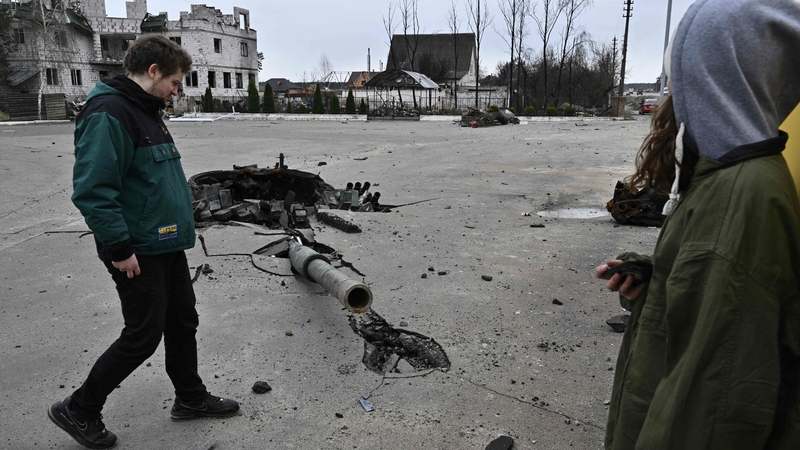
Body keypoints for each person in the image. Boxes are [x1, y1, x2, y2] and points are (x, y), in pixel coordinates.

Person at [596, 0, 800, 448]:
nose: (672, 100)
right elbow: (710, 310)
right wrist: (656, 280)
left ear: (721, 80)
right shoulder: (722, 178)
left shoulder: (739, 198)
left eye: (684, 82)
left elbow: (711, 409)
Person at [48, 34, 239, 449]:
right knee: (143, 335)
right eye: (174, 81)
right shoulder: (109, 113)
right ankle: (79, 408)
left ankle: (190, 399)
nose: (177, 90)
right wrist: (119, 248)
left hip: (164, 242)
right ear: (152, 72)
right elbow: (93, 189)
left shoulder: (145, 109)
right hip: (136, 248)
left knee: (182, 321)